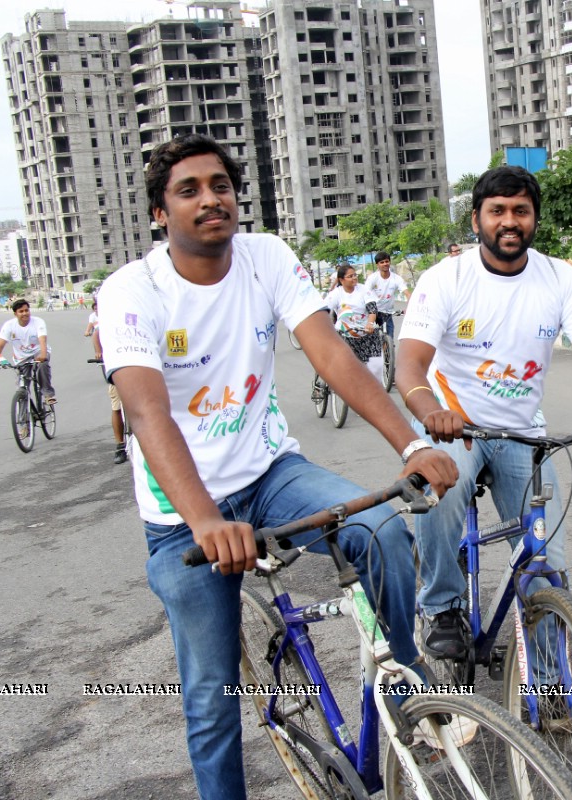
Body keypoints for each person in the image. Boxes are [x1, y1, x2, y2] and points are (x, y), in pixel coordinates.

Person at [95, 134, 456, 800]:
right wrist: (204, 518)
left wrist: (411, 445)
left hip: (269, 475)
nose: (210, 199)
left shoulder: (265, 257)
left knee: (381, 530)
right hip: (185, 517)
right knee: (210, 700)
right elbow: (147, 415)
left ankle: (410, 679)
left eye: (221, 186)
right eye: (189, 190)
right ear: (159, 213)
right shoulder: (131, 291)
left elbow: (332, 356)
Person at [396, 165, 572, 659]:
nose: (509, 221)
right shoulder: (446, 279)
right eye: (497, 211)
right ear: (476, 221)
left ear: (534, 219)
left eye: (520, 211)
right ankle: (443, 606)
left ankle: (552, 688)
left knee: (547, 565)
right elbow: (410, 365)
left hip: (523, 433)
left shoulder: (559, 278)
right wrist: (431, 412)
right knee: (437, 490)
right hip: (454, 427)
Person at [325, 263, 385, 385]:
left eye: (355, 275)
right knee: (352, 369)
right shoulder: (336, 293)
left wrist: (370, 324)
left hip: (366, 332)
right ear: (341, 280)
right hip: (345, 334)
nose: (354, 278)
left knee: (376, 367)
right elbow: (325, 311)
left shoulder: (364, 290)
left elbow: (372, 310)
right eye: (350, 276)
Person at [0, 299, 56, 405]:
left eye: (26, 310)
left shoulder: (38, 322)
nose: (25, 313)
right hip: (21, 357)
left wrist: (43, 355)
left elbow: (42, 339)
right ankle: (23, 414)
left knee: (43, 366)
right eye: (21, 311)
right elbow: (0, 344)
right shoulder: (9, 325)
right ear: (15, 314)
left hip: (38, 352)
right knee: (22, 387)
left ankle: (48, 395)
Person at [91, 321, 127, 466]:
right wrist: (99, 350)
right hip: (116, 367)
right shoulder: (111, 314)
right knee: (116, 407)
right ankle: (120, 445)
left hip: (137, 367)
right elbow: (96, 332)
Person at [364, 250, 410, 338]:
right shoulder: (372, 278)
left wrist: (409, 307)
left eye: (387, 261)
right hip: (373, 313)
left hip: (388, 313)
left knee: (389, 338)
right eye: (382, 262)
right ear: (377, 265)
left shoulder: (396, 278)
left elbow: (407, 293)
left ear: (389, 262)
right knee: (372, 337)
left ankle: (388, 349)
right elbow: (365, 292)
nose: (385, 264)